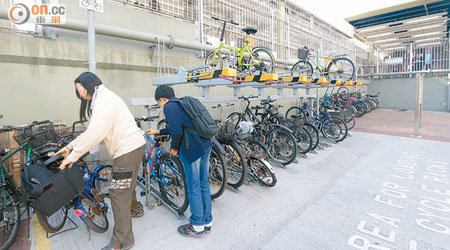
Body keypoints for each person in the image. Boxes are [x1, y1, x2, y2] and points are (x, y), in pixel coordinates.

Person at [54, 72, 146, 250]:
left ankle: (122, 241)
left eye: (79, 89)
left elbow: (94, 134)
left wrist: (72, 156)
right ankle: (135, 209)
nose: (79, 94)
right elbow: (91, 132)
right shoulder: (104, 97)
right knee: (127, 185)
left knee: (118, 194)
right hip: (135, 146)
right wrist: (70, 147)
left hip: (127, 150)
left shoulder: (103, 101)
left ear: (89, 85)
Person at [146, 85, 213, 237]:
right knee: (203, 183)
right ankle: (207, 221)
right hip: (205, 145)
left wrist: (174, 148)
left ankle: (197, 225)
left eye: (159, 103)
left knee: (193, 186)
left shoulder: (169, 107)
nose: (160, 105)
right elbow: (180, 127)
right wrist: (159, 131)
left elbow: (176, 131)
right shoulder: (182, 103)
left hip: (192, 150)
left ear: (162, 99)